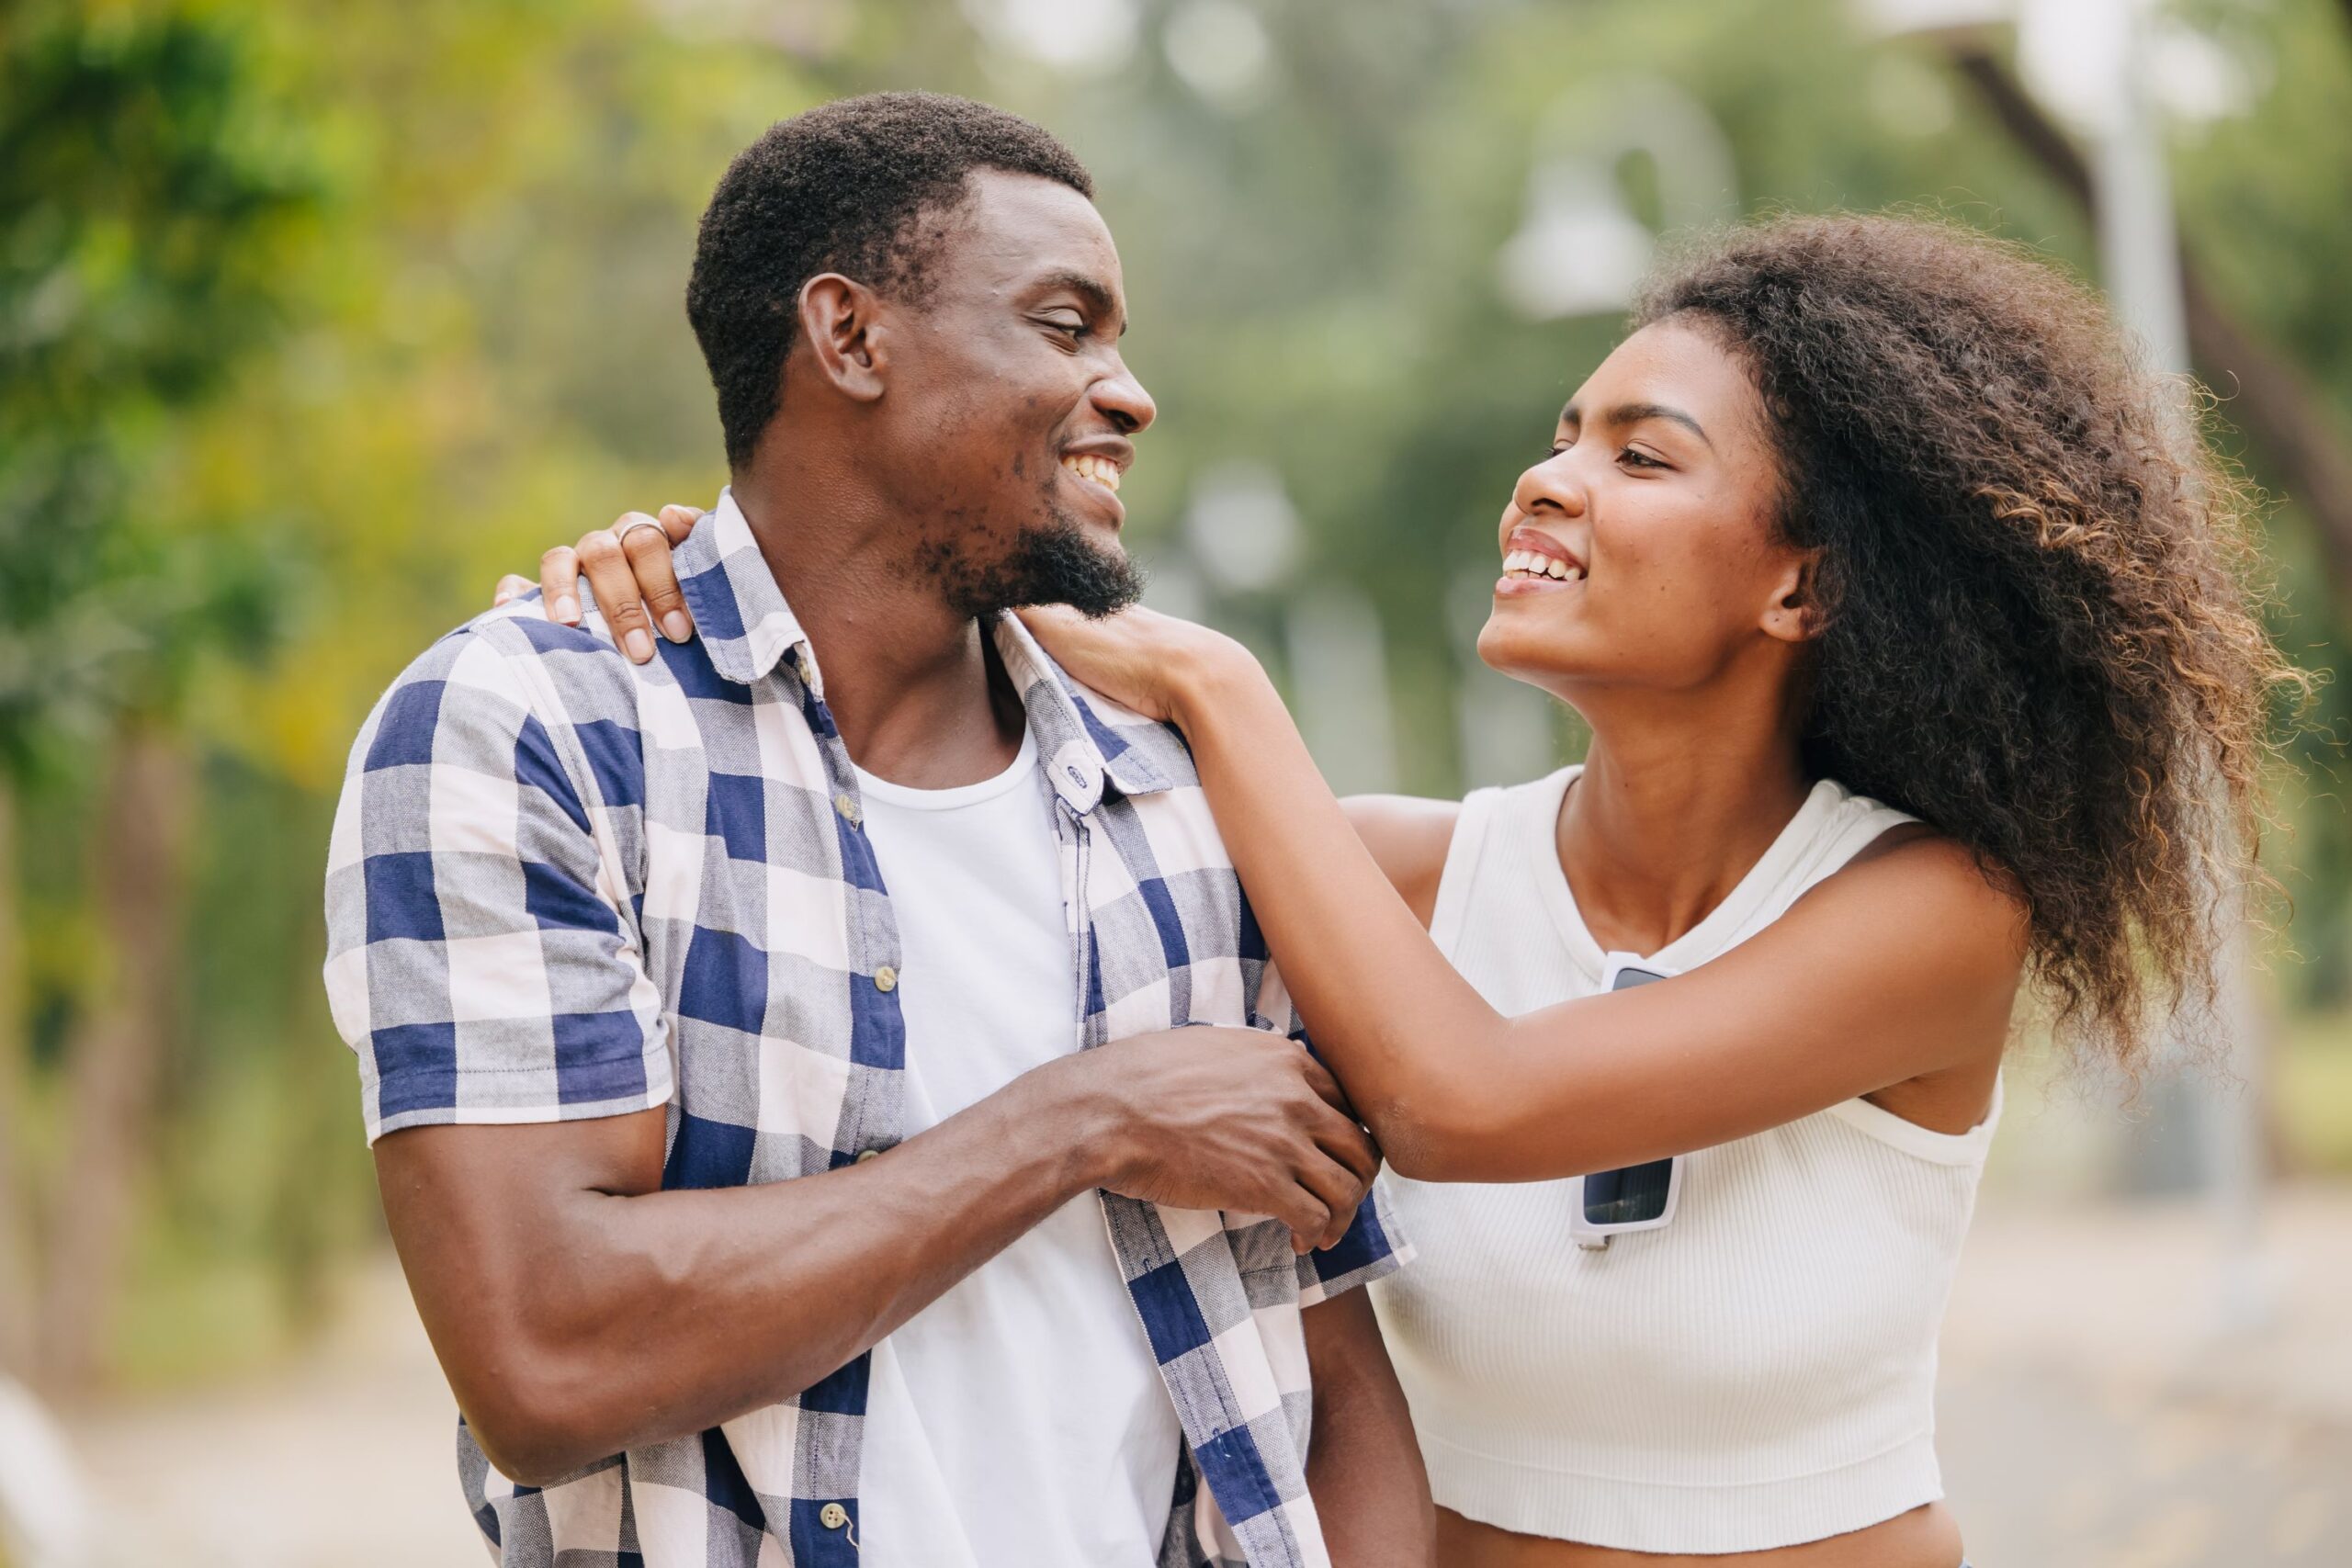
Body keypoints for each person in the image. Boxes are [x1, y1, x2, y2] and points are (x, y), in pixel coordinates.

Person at [544, 212, 2296, 1568]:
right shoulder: (1392, 875)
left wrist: (1224, 688)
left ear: (1800, 591)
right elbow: (914, 740)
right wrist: (700, 575)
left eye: (1642, 454)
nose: (1548, 477)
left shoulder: (1929, 911)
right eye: (1564, 430)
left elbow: (1465, 1103)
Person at [326, 92, 1429, 1568]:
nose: (1130, 390)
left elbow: (1335, 1398)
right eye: (1066, 324)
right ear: (850, 338)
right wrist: (1088, 1118)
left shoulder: (1189, 788)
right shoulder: (532, 729)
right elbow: (548, 1362)